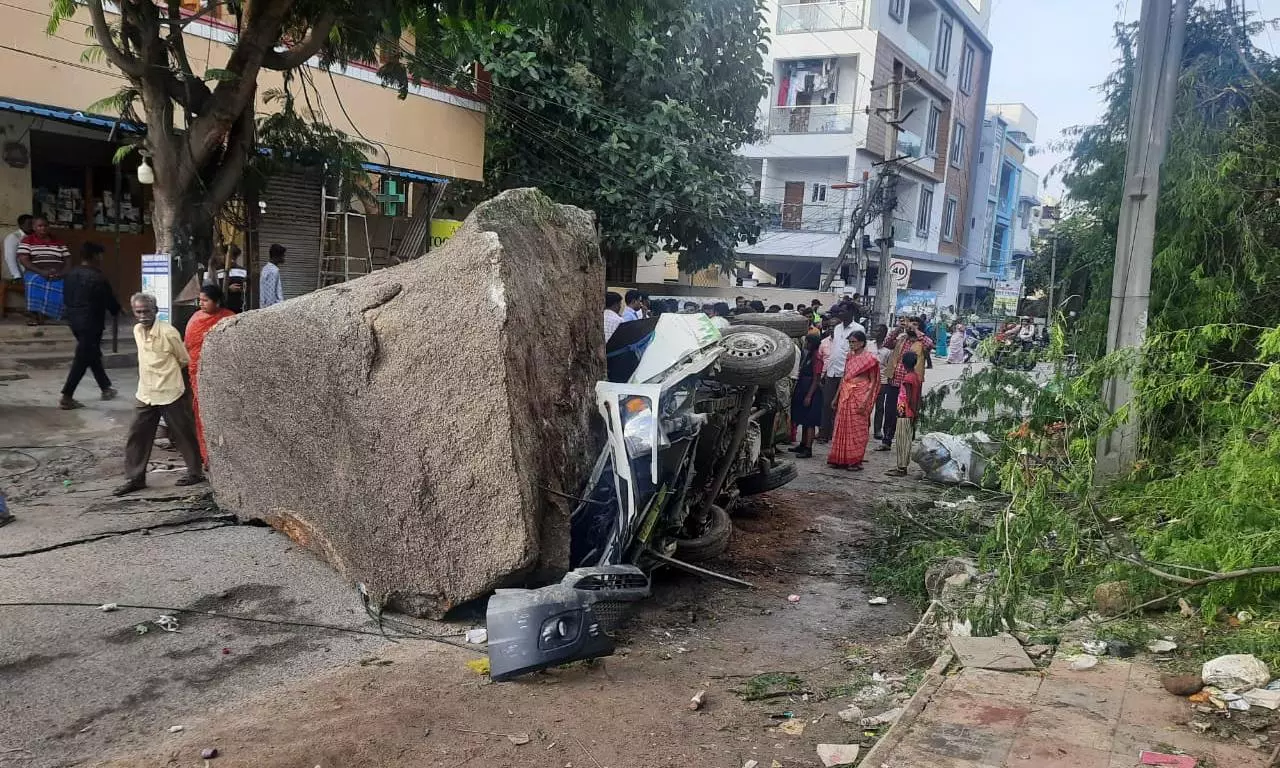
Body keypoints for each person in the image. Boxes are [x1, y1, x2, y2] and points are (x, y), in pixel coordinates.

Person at [114, 293, 204, 496]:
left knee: (182, 433)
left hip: (170, 390)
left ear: (155, 311)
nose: (143, 315)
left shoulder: (168, 332)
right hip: (146, 391)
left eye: (147, 311)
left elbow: (183, 359)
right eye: (138, 312)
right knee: (137, 434)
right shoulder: (137, 330)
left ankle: (195, 472)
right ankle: (135, 478)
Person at [59, 242, 122, 409]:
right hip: (91, 322)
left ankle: (105, 388)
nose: (102, 259)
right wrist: (117, 310)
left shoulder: (71, 274)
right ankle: (67, 395)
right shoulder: (97, 277)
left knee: (91, 353)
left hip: (74, 320)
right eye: (100, 255)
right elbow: (110, 301)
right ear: (95, 256)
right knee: (83, 357)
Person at [185, 284, 235, 466]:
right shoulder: (196, 319)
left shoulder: (229, 318)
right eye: (200, 300)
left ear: (217, 301)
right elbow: (188, 346)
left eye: (206, 300)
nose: (201, 303)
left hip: (221, 375)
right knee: (202, 414)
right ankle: (206, 455)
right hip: (197, 373)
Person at [828, 331, 879, 471]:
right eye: (850, 342)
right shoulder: (849, 356)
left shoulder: (870, 359)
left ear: (862, 343)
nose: (851, 344)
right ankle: (839, 458)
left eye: (853, 342)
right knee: (841, 425)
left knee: (857, 428)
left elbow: (873, 381)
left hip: (860, 394)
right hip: (846, 393)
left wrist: (866, 399)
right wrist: (836, 397)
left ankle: (854, 461)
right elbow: (844, 377)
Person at [819, 306, 866, 442]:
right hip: (832, 371)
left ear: (850, 312)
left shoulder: (858, 329)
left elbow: (859, 352)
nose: (840, 314)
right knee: (827, 403)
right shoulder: (838, 328)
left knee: (842, 405)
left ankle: (838, 434)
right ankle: (824, 433)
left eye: (843, 311)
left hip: (847, 373)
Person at [877, 324, 926, 452]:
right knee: (890, 412)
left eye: (914, 323)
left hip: (909, 384)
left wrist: (916, 330)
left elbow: (930, 344)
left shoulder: (921, 343)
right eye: (909, 323)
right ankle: (887, 440)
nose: (910, 326)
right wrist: (898, 328)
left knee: (905, 412)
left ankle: (905, 440)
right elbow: (887, 343)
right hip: (894, 382)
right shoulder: (901, 339)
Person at [17, 217, 69, 325]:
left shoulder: (58, 241)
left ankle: (53, 314)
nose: (43, 228)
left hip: (57, 272)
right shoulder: (27, 240)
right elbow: (24, 260)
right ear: (34, 227)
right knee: (32, 282)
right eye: (40, 226)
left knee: (64, 284)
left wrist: (62, 273)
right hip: (35, 271)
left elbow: (68, 259)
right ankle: (34, 315)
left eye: (45, 225)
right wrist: (41, 272)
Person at [887, 351, 923, 477]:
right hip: (909, 412)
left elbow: (910, 397)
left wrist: (912, 411)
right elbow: (917, 397)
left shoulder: (908, 378)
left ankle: (901, 468)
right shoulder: (916, 376)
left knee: (902, 440)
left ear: (903, 363)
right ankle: (902, 466)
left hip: (904, 411)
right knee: (906, 440)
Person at [789, 335, 823, 458]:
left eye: (807, 342)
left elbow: (816, 378)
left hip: (811, 390)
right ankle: (802, 444)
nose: (805, 343)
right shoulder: (808, 355)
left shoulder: (817, 358)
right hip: (803, 388)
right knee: (803, 418)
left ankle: (808, 448)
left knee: (810, 421)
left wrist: (809, 395)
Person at [2, 215, 32, 317]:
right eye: (29, 224)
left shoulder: (32, 237)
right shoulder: (13, 237)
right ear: (21, 225)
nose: (31, 226)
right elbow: (9, 258)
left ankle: (35, 309)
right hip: (16, 272)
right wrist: (16, 275)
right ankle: (31, 310)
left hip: (28, 270)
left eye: (32, 224)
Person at [209, 244, 249, 312]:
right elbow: (209, 291)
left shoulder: (242, 270)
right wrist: (228, 289)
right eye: (230, 258)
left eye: (235, 258)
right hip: (219, 309)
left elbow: (248, 287)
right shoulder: (213, 272)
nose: (232, 261)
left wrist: (243, 288)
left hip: (238, 309)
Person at [871, 324, 891, 441]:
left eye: (879, 331)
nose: (876, 333)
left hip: (882, 381)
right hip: (868, 380)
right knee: (866, 406)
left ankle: (877, 430)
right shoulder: (869, 346)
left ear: (884, 334)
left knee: (879, 407)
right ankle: (864, 426)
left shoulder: (887, 351)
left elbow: (888, 367)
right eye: (876, 330)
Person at [259, 244, 286, 308]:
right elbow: (270, 295)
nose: (284, 257)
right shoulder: (273, 271)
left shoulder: (266, 268)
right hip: (272, 309)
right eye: (283, 255)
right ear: (277, 256)